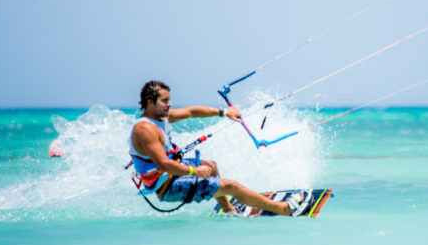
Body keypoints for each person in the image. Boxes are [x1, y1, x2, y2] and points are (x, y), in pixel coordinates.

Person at [129, 80, 310, 216]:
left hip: (171, 173)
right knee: (232, 186)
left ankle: (228, 210)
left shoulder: (161, 117)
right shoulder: (145, 129)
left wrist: (224, 112)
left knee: (212, 166)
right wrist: (194, 171)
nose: (169, 104)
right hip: (166, 186)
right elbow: (164, 165)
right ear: (150, 102)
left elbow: (192, 112)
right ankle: (284, 209)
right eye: (165, 101)